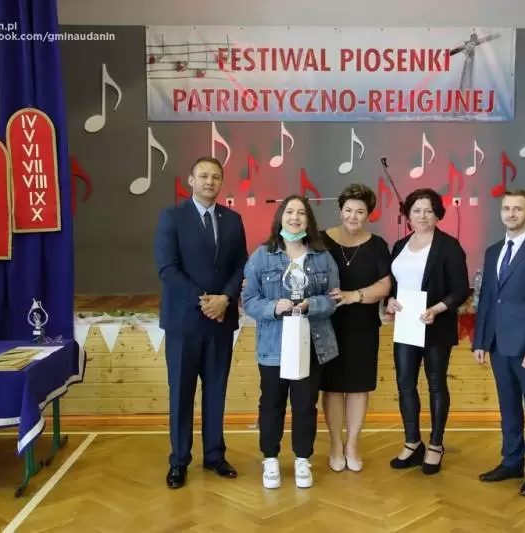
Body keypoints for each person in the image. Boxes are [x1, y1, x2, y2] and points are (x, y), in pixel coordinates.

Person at [154, 156, 248, 489]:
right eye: (203, 176)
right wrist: (203, 300)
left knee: (216, 391)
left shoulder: (233, 220)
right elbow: (168, 269)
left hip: (221, 321)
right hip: (184, 323)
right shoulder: (172, 217)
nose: (210, 181)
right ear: (191, 181)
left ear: (221, 182)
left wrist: (225, 298)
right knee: (181, 393)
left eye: (216, 176)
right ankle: (179, 461)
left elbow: (241, 265)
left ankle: (214, 456)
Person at [241, 195, 340, 490]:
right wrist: (274, 307)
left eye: (301, 213)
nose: (295, 218)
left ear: (308, 220)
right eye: (289, 212)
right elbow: (249, 300)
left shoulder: (322, 257)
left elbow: (333, 299)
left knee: (305, 405)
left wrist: (312, 305)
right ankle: (270, 458)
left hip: (310, 344)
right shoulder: (262, 256)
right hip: (273, 346)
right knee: (271, 404)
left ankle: (302, 459)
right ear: (280, 218)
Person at [472, 189, 525, 497]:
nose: (511, 213)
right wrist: (480, 341)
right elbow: (486, 300)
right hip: (497, 345)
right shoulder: (493, 251)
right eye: (506, 208)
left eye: (517, 209)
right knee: (507, 407)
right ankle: (511, 461)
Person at [385, 188, 470, 475]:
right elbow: (393, 285)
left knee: (436, 384)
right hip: (406, 325)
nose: (422, 216)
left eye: (428, 211)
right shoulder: (399, 245)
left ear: (437, 215)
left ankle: (435, 444)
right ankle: (412, 443)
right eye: (417, 210)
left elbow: (460, 289)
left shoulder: (449, 246)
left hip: (436, 323)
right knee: (405, 384)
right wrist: (389, 301)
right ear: (408, 214)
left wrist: (437, 309)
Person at [320, 184, 392, 472]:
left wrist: (354, 295)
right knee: (332, 388)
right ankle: (336, 444)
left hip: (363, 326)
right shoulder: (321, 240)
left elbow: (385, 285)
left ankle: (352, 444)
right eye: (348, 210)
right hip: (327, 326)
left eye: (360, 211)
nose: (353, 216)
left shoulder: (377, 245)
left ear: (368, 215)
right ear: (340, 211)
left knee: (359, 388)